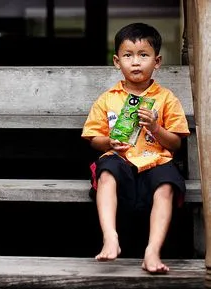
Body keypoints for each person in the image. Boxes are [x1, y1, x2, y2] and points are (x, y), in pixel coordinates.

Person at [81, 22, 190, 273]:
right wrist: (109, 142)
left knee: (166, 187)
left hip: (156, 160)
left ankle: (152, 250)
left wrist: (155, 127)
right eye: (128, 55)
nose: (136, 62)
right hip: (119, 158)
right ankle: (111, 237)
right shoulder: (108, 98)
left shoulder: (166, 98)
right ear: (117, 62)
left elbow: (176, 143)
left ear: (158, 61)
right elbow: (93, 138)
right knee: (106, 173)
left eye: (144, 55)